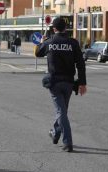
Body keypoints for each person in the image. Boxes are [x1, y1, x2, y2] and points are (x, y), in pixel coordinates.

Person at [35, 17, 87, 152]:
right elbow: (81, 64)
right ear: (66, 28)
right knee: (62, 111)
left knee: (61, 112)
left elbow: (37, 53)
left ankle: (67, 142)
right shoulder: (73, 43)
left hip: (55, 83)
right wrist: (82, 83)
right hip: (69, 84)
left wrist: (41, 42)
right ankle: (55, 133)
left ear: (54, 29)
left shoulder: (49, 42)